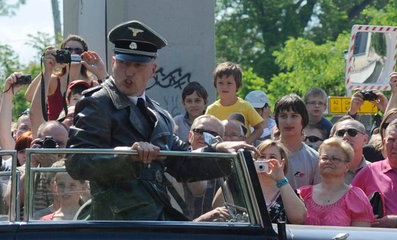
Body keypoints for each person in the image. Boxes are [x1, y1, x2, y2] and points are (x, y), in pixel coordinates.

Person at [66, 20, 249, 221]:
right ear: (113, 63)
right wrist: (127, 156)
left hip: (156, 221)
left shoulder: (158, 114)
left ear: (153, 70)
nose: (129, 72)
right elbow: (77, 161)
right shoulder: (98, 103)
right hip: (118, 228)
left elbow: (182, 163)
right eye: (124, 63)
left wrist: (219, 152)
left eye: (138, 65)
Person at [298, 137, 375, 227]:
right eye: (324, 158)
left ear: (347, 166)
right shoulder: (303, 193)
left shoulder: (355, 197)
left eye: (335, 159)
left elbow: (361, 235)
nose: (328, 162)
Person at [205, 62, 264, 145]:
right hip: (219, 153)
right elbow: (206, 132)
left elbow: (259, 129)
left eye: (229, 83)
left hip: (241, 152)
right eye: (220, 83)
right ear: (215, 84)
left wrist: (246, 142)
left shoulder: (245, 106)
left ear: (237, 85)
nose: (224, 86)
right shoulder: (211, 109)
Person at [254, 139, 306, 224]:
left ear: (282, 163)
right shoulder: (243, 188)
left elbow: (299, 219)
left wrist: (280, 178)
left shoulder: (288, 192)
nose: (266, 161)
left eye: (272, 157)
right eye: (262, 156)